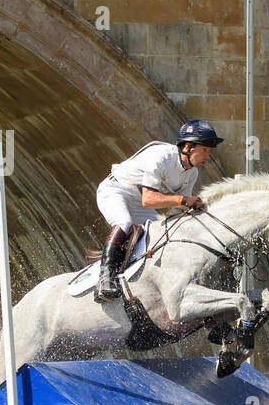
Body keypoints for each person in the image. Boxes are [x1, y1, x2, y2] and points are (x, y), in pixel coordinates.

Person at [94, 120, 221, 302]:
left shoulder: (192, 173)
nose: (208, 156)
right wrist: (184, 200)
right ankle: (104, 279)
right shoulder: (161, 157)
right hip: (116, 190)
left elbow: (178, 210)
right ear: (188, 146)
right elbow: (149, 199)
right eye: (205, 150)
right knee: (124, 221)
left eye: (209, 151)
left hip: (139, 203)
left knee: (156, 235)